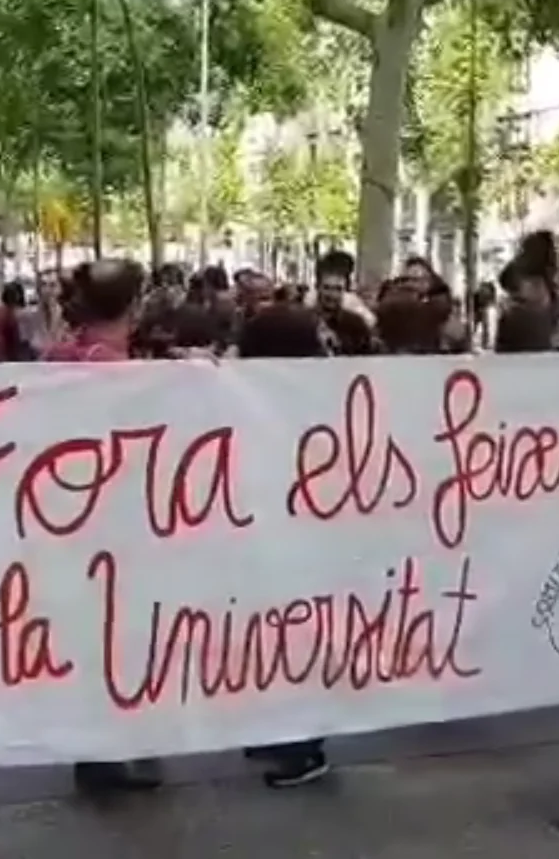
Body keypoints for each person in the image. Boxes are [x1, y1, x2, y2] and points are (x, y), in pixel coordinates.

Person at [43, 259, 163, 792]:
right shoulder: (114, 369)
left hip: (69, 519)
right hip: (116, 522)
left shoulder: (59, 357)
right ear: (133, 307)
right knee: (121, 634)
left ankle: (96, 750)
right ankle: (111, 748)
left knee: (92, 635)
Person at [235, 303, 334, 787]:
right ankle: (280, 731)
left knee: (295, 632)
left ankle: (305, 747)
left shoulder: (298, 392)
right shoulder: (281, 387)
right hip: (279, 527)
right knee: (273, 628)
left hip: (297, 531)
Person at [314, 251, 375, 356]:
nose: (332, 295)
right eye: (327, 288)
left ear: (345, 291)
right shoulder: (304, 321)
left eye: (338, 289)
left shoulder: (356, 323)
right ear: (318, 288)